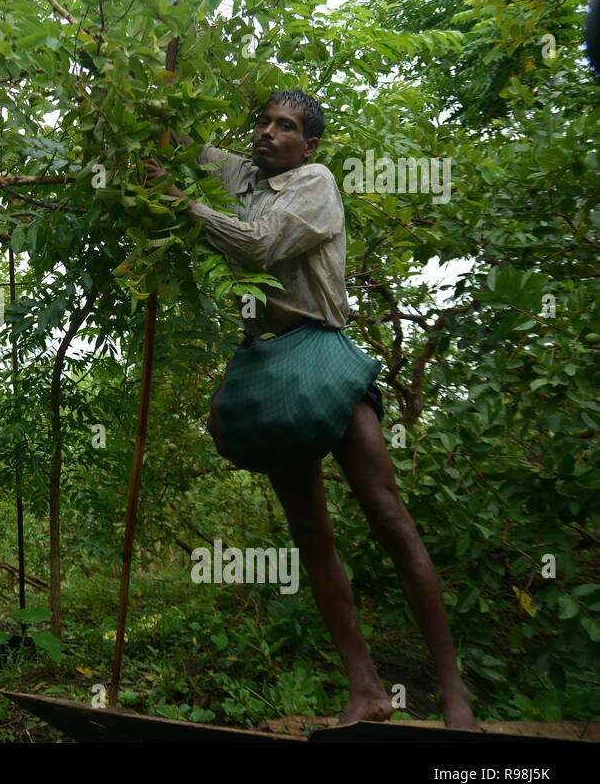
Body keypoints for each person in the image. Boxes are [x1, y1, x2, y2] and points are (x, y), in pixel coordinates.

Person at [149, 89, 478, 730]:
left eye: (286, 126)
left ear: (310, 144)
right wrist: (109, 70)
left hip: (322, 351)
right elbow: (177, 143)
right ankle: (366, 690)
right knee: (310, 535)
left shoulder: (316, 183)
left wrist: (182, 204)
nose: (268, 133)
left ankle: (453, 690)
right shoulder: (240, 172)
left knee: (387, 514)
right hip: (270, 365)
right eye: (264, 122)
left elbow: (259, 248)